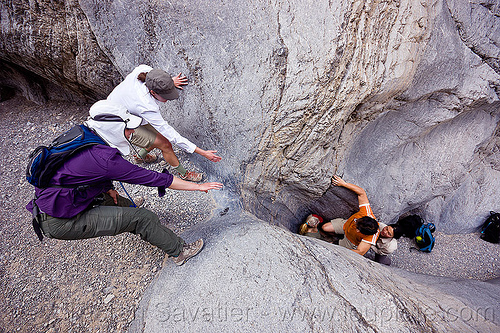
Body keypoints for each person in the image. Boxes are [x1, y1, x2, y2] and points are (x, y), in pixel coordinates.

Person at [26, 100, 223, 266]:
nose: (131, 133)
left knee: (113, 199)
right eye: (128, 128)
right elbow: (153, 178)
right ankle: (179, 251)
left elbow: (83, 173)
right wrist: (198, 187)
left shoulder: (84, 135)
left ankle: (126, 211)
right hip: (60, 220)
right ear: (113, 128)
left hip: (57, 200)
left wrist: (109, 188)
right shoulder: (105, 159)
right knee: (143, 218)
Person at [107, 64, 222, 182]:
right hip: (118, 124)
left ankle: (140, 156)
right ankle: (184, 174)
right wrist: (202, 152)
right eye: (165, 95)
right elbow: (171, 134)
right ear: (153, 92)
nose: (168, 98)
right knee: (165, 144)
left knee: (155, 135)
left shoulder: (144, 71)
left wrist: (168, 84)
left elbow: (154, 77)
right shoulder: (146, 106)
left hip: (120, 109)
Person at [319, 175, 380, 256]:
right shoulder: (366, 213)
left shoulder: (370, 237)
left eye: (357, 227)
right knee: (325, 227)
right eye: (357, 222)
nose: (355, 225)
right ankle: (335, 235)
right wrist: (343, 184)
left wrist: (341, 250)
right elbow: (362, 193)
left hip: (351, 241)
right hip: (346, 224)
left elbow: (360, 252)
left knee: (332, 246)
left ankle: (336, 241)